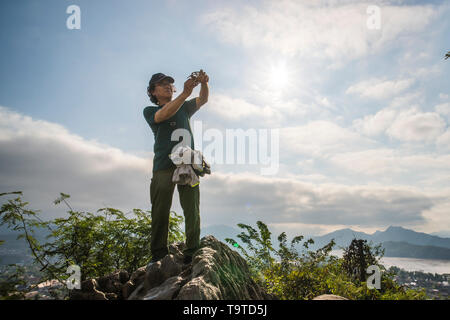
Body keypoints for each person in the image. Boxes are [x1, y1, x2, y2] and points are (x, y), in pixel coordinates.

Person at [143, 70, 209, 265]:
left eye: (170, 83)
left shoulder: (185, 107)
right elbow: (163, 115)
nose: (168, 86)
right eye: (162, 84)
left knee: (192, 209)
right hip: (163, 166)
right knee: (160, 211)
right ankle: (158, 256)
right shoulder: (149, 110)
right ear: (153, 92)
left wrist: (204, 83)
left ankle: (191, 251)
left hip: (188, 165)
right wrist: (184, 94)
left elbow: (203, 99)